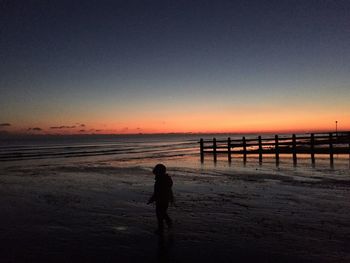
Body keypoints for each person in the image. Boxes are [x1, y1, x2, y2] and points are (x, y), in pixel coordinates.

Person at [147, 164, 174, 235]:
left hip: (161, 200)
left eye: (156, 171)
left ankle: (162, 227)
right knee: (162, 213)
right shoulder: (165, 179)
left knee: (160, 214)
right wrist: (171, 198)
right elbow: (169, 190)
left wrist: (152, 199)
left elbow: (157, 192)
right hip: (165, 200)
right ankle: (166, 224)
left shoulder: (160, 181)